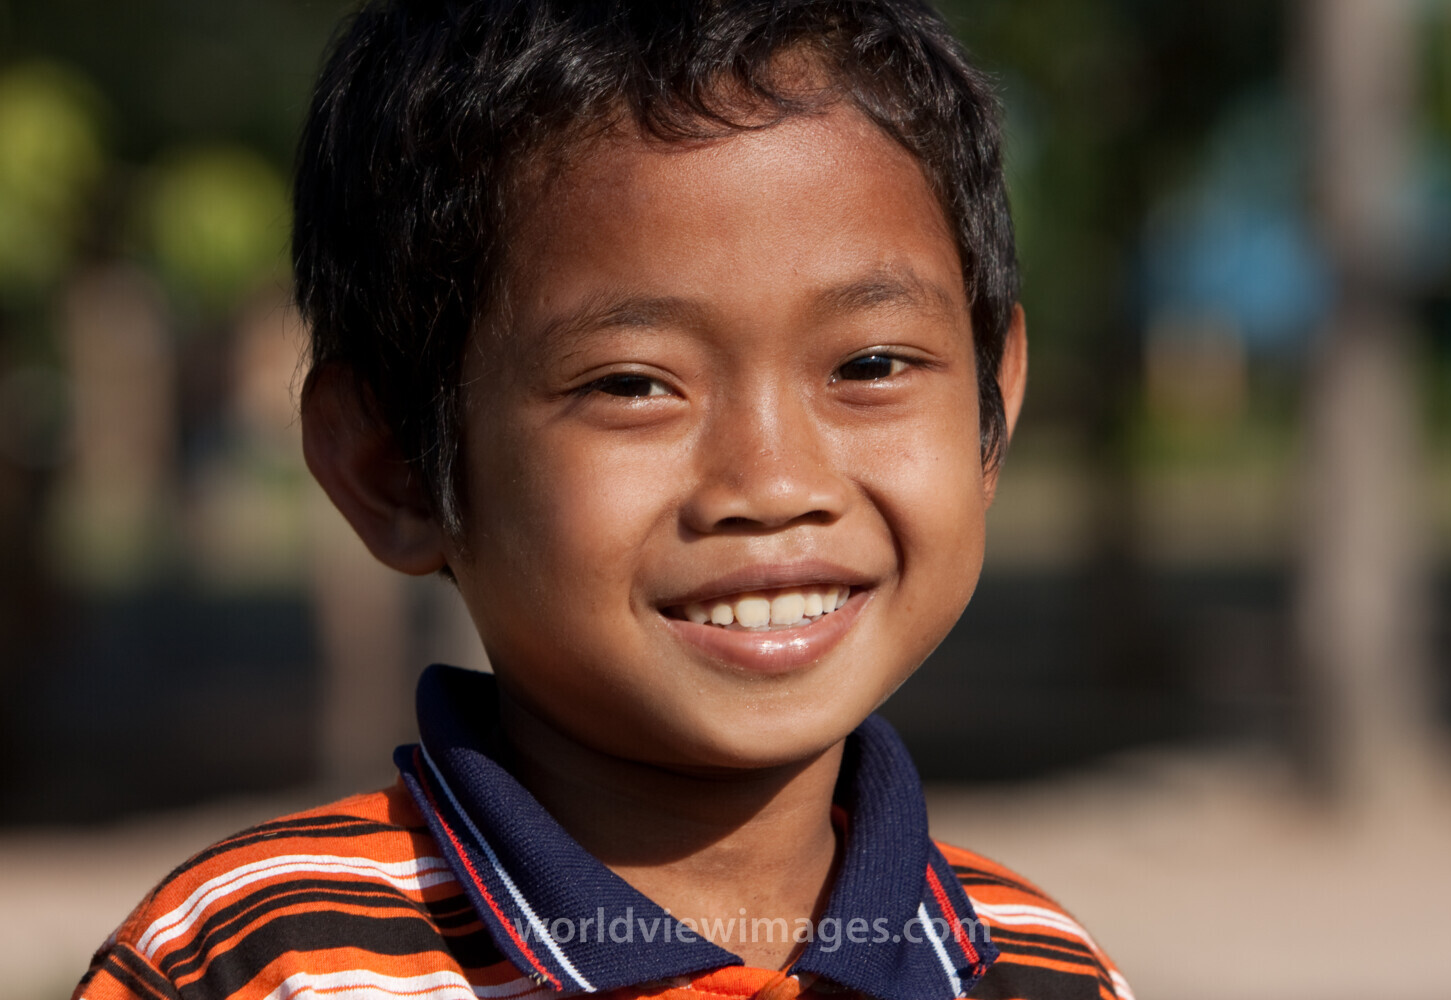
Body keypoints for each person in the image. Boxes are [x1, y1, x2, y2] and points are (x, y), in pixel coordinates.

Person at [74, 2, 1132, 998]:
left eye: (869, 363)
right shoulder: (266, 959)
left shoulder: (1037, 965)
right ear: (393, 465)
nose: (772, 483)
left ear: (991, 405)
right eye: (632, 383)